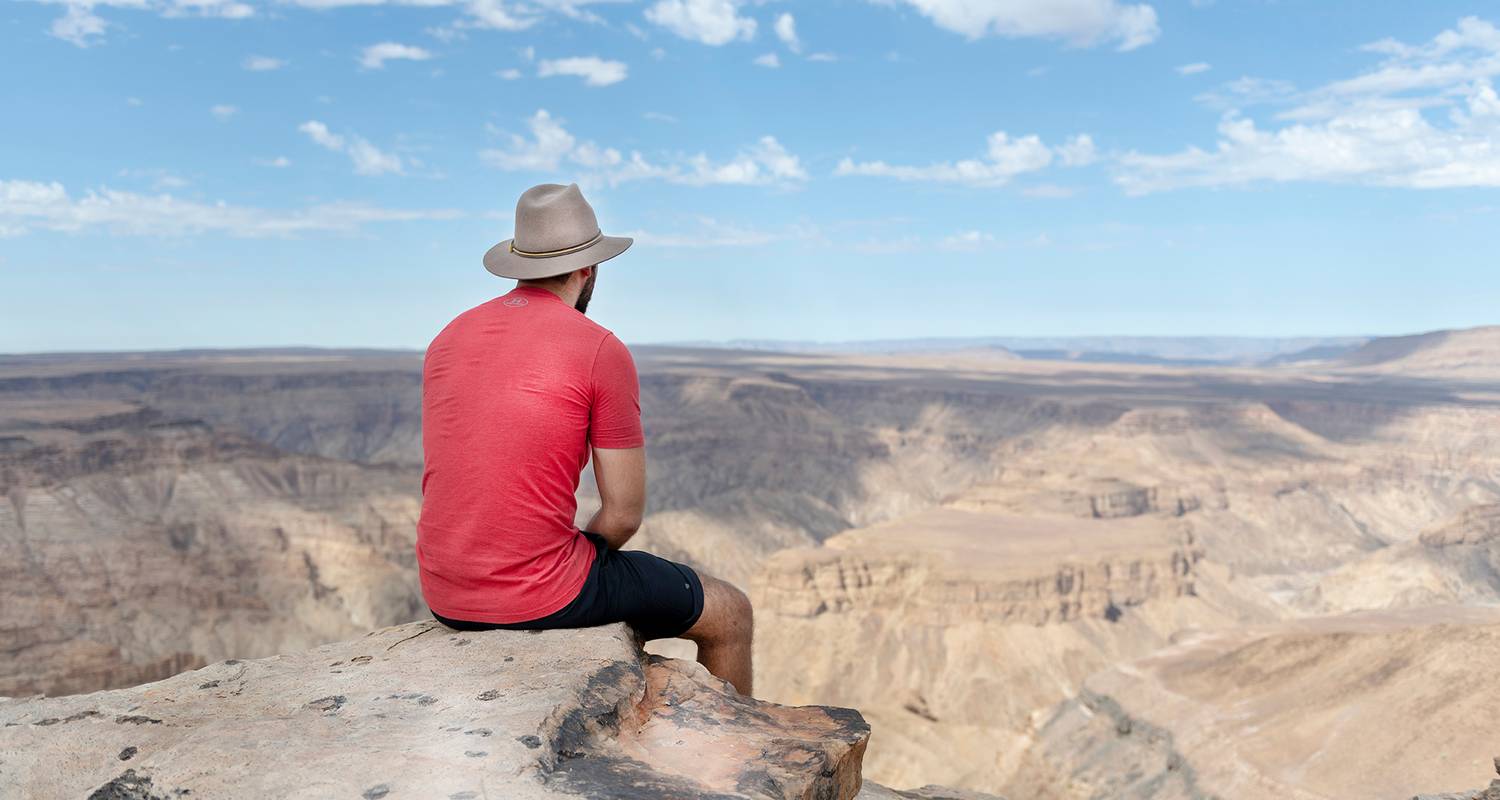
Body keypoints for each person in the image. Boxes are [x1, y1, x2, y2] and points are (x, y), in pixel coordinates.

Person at [416, 182, 754, 695]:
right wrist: (581, 559)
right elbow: (623, 514)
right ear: (588, 269)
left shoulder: (448, 337)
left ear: (520, 263)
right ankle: (739, 762)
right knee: (730, 611)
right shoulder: (599, 349)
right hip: (541, 597)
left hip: (444, 593)